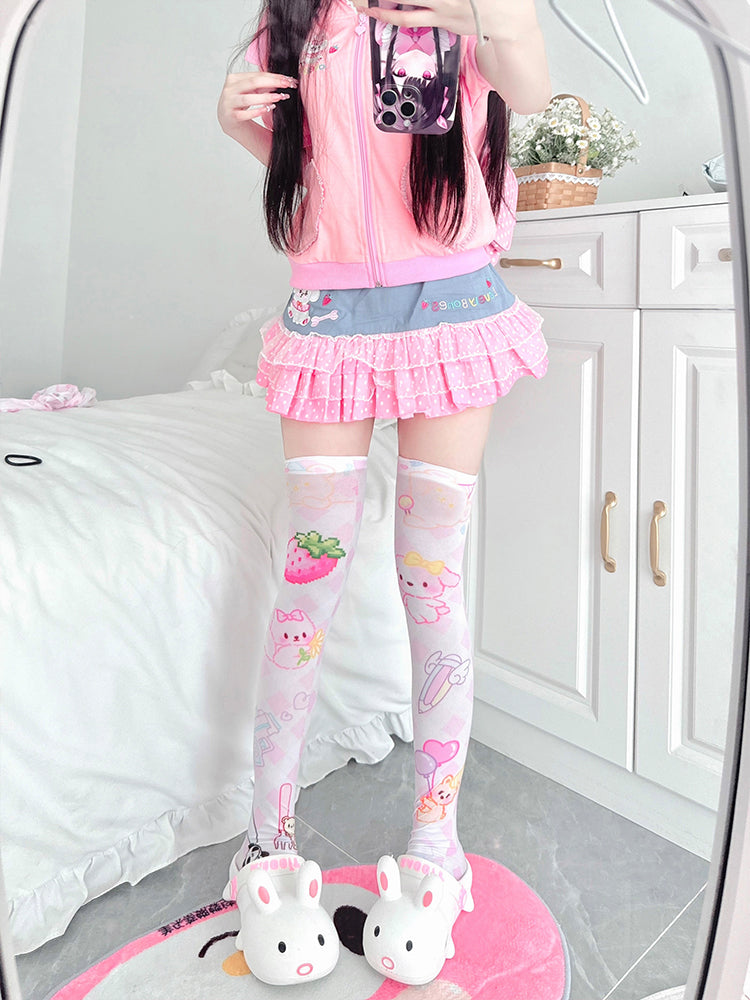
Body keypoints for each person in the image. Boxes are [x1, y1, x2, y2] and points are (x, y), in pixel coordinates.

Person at [216, 0, 552, 986]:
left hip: (453, 311)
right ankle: (267, 842)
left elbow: (530, 88)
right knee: (307, 584)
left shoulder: (462, 9)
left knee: (429, 582)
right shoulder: (293, 18)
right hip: (327, 318)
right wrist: (237, 125)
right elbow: (308, 163)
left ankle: (436, 847)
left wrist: (490, 12)